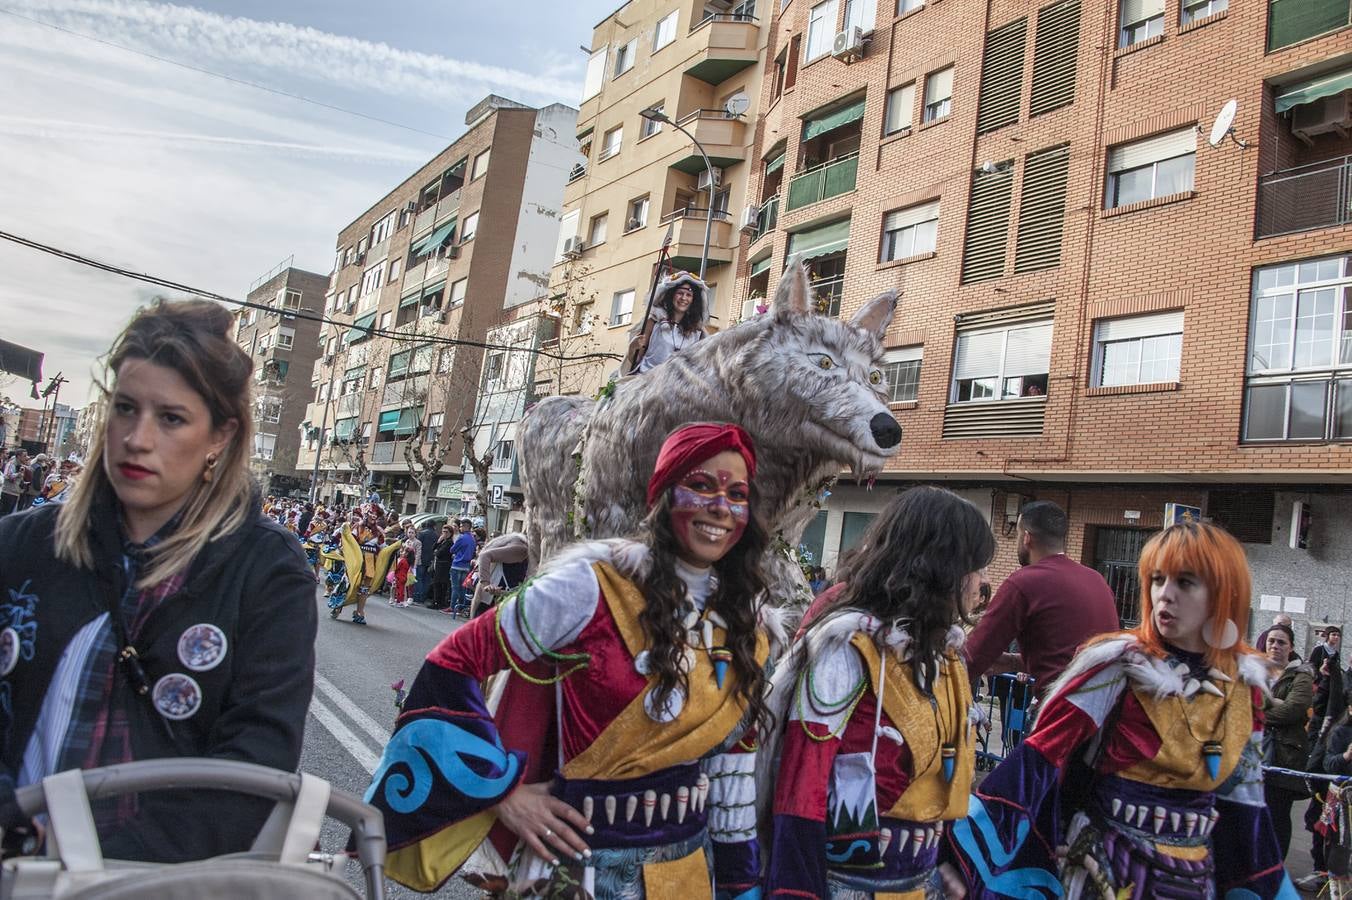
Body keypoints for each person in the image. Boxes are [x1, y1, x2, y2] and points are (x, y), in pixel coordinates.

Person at [364, 423, 775, 896]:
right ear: (663, 496)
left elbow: (732, 769)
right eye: (701, 486)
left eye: (737, 494)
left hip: (687, 876)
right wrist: (500, 790)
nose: (720, 508)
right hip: (576, 871)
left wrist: (741, 884)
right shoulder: (589, 588)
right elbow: (454, 660)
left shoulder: (749, 625)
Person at [0, 299, 316, 862]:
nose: (137, 438)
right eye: (125, 408)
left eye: (170, 418)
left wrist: (105, 864)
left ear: (220, 435)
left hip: (157, 881)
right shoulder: (21, 544)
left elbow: (255, 761)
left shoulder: (268, 572)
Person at [942, 521, 1295, 898]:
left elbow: (1247, 812)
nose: (1165, 595)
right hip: (1104, 871)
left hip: (1194, 879)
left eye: (1185, 582)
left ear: (1224, 594)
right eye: (1158, 580)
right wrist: (958, 850)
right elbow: (1037, 759)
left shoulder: (1243, 687)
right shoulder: (1117, 665)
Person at [765, 486, 994, 898]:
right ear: (943, 567)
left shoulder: (944, 654)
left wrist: (942, 862)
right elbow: (802, 786)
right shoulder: (847, 646)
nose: (983, 580)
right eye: (976, 566)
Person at [963, 500, 1119, 696]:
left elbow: (973, 656)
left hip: (1063, 712)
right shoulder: (1097, 580)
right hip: (1106, 710)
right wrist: (1014, 662)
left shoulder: (1023, 583)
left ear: (1026, 538)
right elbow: (1072, 657)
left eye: (1019, 535)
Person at [1261, 623, 1313, 859]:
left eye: (1281, 642)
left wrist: (1258, 710)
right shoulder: (1255, 672)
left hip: (1285, 755)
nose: (1275, 646)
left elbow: (1293, 710)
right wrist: (1274, 703)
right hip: (1254, 752)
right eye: (1272, 640)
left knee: (1278, 816)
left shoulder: (1301, 676)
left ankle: (1276, 869)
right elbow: (1237, 703)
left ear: (1291, 647)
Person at [625, 271, 709, 375]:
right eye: (680, 293)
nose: (684, 298)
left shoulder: (698, 330)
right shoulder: (653, 321)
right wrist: (633, 346)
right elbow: (635, 360)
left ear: (693, 300)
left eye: (688, 295)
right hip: (648, 383)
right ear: (671, 295)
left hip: (678, 387)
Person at [467, 531, 529, 618]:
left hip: (492, 599)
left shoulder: (520, 544)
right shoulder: (521, 547)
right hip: (495, 601)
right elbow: (485, 556)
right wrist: (486, 584)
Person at [1310, 625, 1343, 737]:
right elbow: (1311, 667)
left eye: (1338, 635)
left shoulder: (1336, 654)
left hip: (1331, 687)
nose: (1336, 637)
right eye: (1333, 634)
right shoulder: (1319, 649)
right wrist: (1319, 673)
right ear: (1328, 636)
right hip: (1319, 685)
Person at [445, 517, 477, 617]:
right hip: (466, 566)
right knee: (463, 588)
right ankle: (460, 607)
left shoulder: (462, 538)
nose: (460, 528)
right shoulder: (472, 539)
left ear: (466, 527)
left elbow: (452, 550)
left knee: (455, 587)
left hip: (457, 564)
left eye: (462, 526)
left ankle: (452, 606)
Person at [430, 523, 455, 611]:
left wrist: (437, 551)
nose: (444, 533)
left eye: (446, 532)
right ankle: (436, 601)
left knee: (441, 584)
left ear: (450, 533)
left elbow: (439, 553)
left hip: (444, 565)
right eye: (443, 531)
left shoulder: (449, 542)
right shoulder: (442, 541)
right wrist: (438, 542)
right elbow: (433, 549)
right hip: (438, 565)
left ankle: (438, 602)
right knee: (437, 583)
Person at [413, 518, 437, 606]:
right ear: (434, 526)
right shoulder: (436, 535)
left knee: (419, 578)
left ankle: (417, 597)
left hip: (420, 558)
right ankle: (422, 598)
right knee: (427, 579)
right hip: (430, 559)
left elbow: (417, 546)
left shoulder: (421, 534)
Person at [0, 449, 27, 516]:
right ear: (18, 456)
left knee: (9, 513)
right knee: (4, 513)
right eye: (24, 456)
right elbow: (7, 476)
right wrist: (18, 474)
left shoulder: (21, 465)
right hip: (8, 492)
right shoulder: (12, 463)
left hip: (15, 492)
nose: (26, 457)